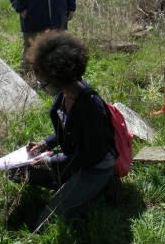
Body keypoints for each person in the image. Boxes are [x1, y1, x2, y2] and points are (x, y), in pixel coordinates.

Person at [7, 30, 116, 230]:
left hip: (94, 169)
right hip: (73, 161)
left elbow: (93, 154)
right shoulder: (65, 94)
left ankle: (98, 192)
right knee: (14, 172)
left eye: (42, 82)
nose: (40, 85)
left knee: (45, 224)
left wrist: (51, 161)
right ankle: (71, 188)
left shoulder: (90, 106)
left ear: (56, 78)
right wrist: (45, 144)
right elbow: (67, 130)